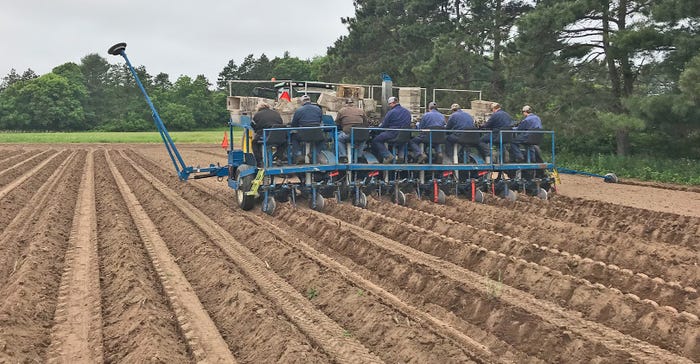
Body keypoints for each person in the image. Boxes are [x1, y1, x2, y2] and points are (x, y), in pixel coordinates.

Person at [371, 96, 412, 164]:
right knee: (403, 140)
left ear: (392, 103)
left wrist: (376, 130)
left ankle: (388, 156)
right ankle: (401, 157)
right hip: (405, 135)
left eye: (389, 104)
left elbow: (384, 126)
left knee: (376, 140)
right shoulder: (407, 112)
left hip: (393, 133)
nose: (389, 106)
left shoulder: (391, 112)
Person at [291, 94, 323, 164]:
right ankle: (314, 153)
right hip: (317, 134)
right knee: (322, 139)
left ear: (302, 102)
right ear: (310, 101)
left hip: (303, 135)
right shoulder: (318, 109)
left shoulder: (299, 110)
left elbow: (294, 124)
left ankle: (299, 154)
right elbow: (320, 121)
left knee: (293, 137)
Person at [251, 101, 285, 166]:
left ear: (258, 108)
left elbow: (253, 125)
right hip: (278, 136)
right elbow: (281, 123)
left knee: (254, 143)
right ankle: (279, 158)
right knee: (284, 143)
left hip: (266, 136)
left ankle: (259, 161)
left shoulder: (257, 115)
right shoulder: (276, 113)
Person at [335, 99, 369, 163]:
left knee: (339, 139)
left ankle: (343, 156)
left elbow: (337, 122)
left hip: (348, 134)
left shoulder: (341, 111)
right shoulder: (361, 111)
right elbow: (366, 123)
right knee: (363, 138)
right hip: (359, 134)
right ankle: (359, 156)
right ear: (354, 104)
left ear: (345, 104)